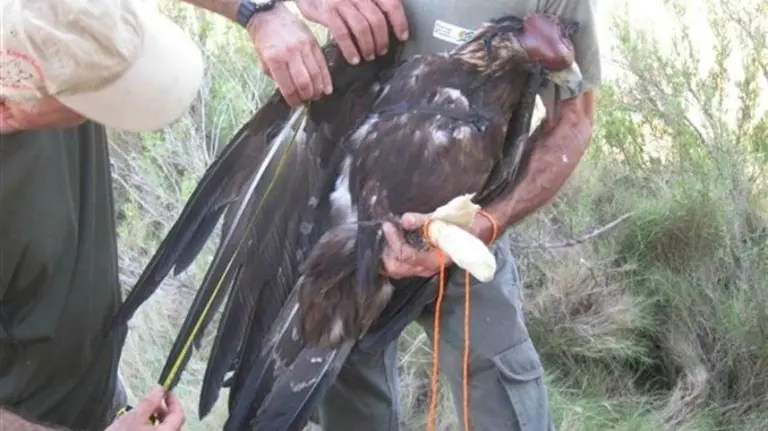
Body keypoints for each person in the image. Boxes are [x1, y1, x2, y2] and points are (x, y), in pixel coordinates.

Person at [0, 0, 403, 429]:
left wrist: (256, 11)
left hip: (90, 398)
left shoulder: (35, 52)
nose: (102, 113)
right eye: (97, 101)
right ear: (10, 103)